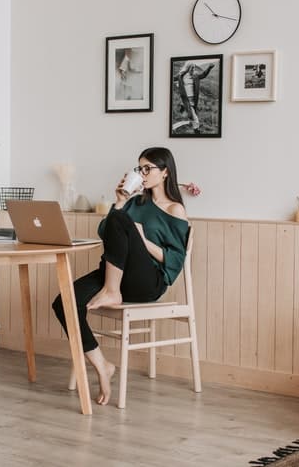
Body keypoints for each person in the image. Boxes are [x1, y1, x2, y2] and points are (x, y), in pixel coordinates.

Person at [51, 147, 190, 406]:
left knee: (121, 221)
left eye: (148, 168)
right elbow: (107, 232)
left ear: (165, 172)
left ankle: (112, 289)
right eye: (140, 168)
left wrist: (141, 238)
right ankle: (102, 365)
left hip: (147, 282)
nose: (142, 173)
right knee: (64, 302)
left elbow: (174, 259)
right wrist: (120, 202)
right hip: (115, 272)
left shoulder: (175, 209)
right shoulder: (135, 203)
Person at [176, 61, 214, 131]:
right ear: (187, 68)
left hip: (193, 99)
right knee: (194, 116)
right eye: (192, 68)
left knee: (191, 114)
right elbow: (171, 78)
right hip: (186, 99)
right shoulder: (181, 76)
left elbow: (203, 75)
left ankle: (184, 111)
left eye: (194, 68)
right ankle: (196, 130)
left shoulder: (195, 76)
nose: (193, 69)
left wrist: (209, 68)